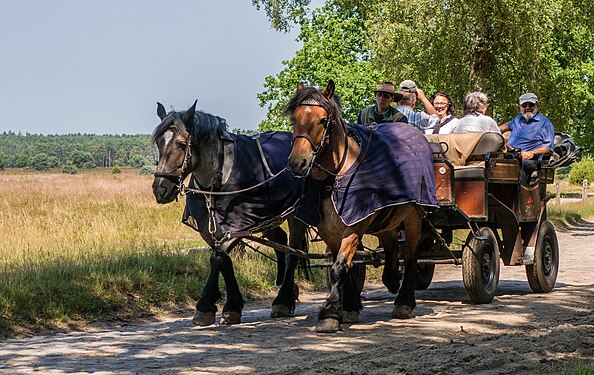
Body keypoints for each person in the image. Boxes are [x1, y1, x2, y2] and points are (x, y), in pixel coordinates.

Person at [499, 92, 555, 183]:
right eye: (524, 105)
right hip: (509, 155)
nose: (527, 108)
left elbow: (548, 149)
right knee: (490, 164)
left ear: (537, 105)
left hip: (530, 160)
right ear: (520, 107)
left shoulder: (545, 123)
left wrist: (532, 152)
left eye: (531, 105)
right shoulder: (517, 119)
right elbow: (499, 129)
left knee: (517, 166)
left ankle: (519, 195)